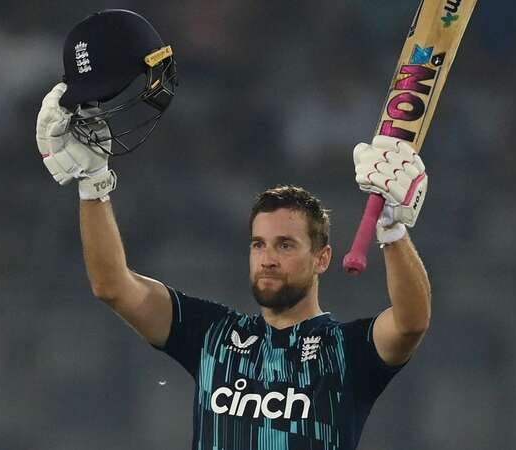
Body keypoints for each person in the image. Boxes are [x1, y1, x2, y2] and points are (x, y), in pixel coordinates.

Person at [36, 10, 430, 450]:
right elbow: (113, 286)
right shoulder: (213, 336)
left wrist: (393, 233)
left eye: (285, 244)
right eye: (259, 243)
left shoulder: (346, 350)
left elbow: (411, 323)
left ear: (322, 258)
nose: (268, 256)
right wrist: (93, 188)